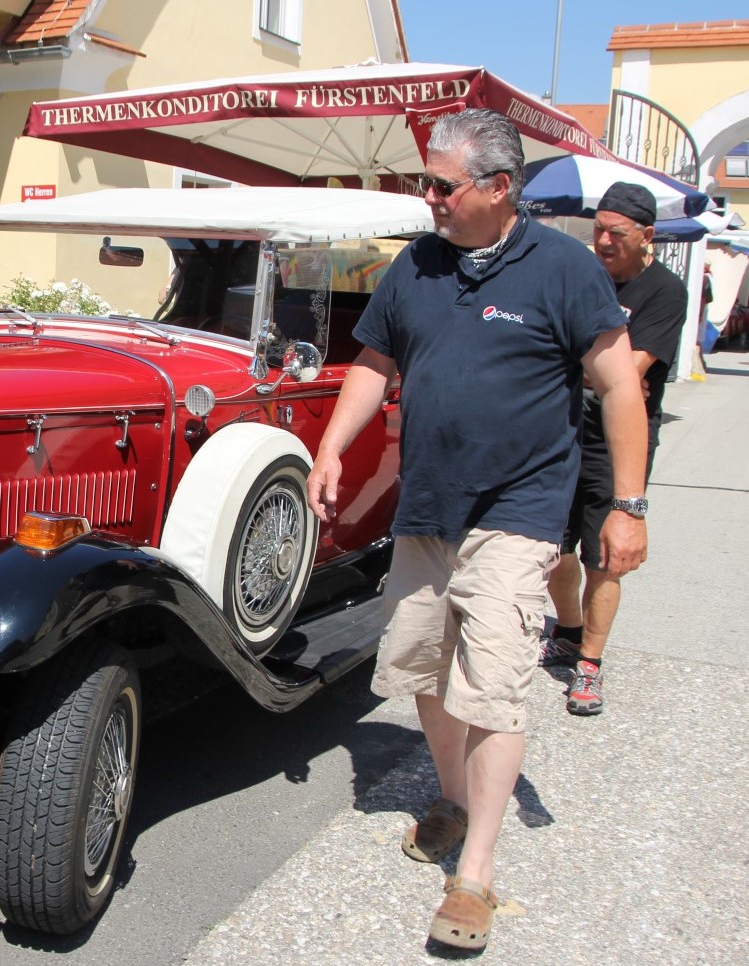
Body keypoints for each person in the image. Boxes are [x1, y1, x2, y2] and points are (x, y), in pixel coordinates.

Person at [305, 109, 650, 952]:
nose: (426, 198)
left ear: (499, 188)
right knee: (426, 667)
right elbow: (374, 365)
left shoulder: (564, 268)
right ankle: (455, 801)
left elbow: (618, 387)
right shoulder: (416, 265)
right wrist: (329, 449)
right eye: (424, 182)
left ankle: (476, 876)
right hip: (427, 508)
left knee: (492, 685)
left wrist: (628, 506)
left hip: (520, 510)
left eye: (441, 184)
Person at [539, 182, 686, 715]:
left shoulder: (664, 291)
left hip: (614, 448)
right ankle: (569, 633)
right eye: (596, 229)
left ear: (646, 235)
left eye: (615, 233)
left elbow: (627, 374)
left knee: (605, 560)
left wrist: (587, 370)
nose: (601, 241)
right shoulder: (587, 277)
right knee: (554, 548)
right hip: (563, 435)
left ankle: (589, 666)